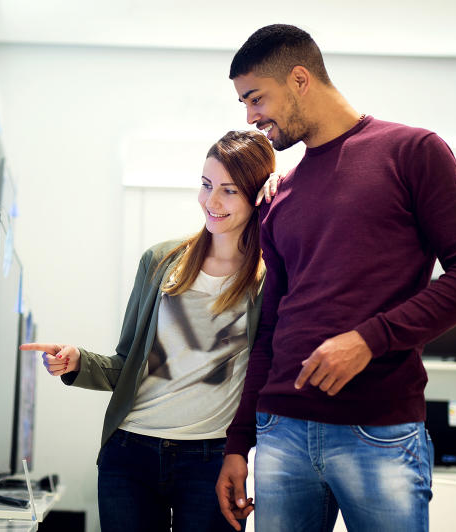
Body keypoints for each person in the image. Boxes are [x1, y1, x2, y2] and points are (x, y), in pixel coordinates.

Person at [215, 24, 456, 532]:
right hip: (280, 431)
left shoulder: (413, 151)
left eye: (255, 99)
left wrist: (370, 340)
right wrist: (239, 443)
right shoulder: (281, 193)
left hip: (379, 430)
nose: (251, 118)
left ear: (299, 79)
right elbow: (270, 328)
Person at [23, 130, 278, 532]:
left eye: (229, 191)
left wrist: (283, 196)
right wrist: (77, 361)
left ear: (256, 195)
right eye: (206, 185)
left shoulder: (270, 277)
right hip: (130, 452)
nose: (211, 202)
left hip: (212, 458)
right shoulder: (161, 262)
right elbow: (126, 363)